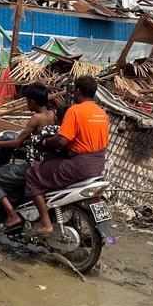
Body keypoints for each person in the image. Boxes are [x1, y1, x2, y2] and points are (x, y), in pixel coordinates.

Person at [24, 76, 109, 237]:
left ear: (78, 91)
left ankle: (45, 223)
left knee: (33, 173)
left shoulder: (75, 110)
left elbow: (62, 140)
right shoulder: (102, 114)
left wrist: (43, 143)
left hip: (79, 164)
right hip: (98, 164)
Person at [0, 83, 56, 232]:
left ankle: (12, 215)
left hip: (33, 166)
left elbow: (17, 142)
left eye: (27, 100)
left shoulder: (36, 118)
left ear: (33, 101)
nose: (26, 103)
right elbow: (39, 137)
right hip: (48, 163)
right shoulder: (52, 115)